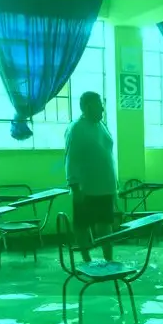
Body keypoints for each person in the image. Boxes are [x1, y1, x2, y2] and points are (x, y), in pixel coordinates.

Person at [65, 91, 117, 264]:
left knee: (105, 226)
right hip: (85, 189)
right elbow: (71, 159)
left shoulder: (101, 125)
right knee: (82, 225)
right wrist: (74, 186)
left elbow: (107, 154)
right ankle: (87, 261)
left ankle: (109, 261)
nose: (102, 108)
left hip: (105, 187)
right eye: (98, 104)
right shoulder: (77, 128)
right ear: (87, 106)